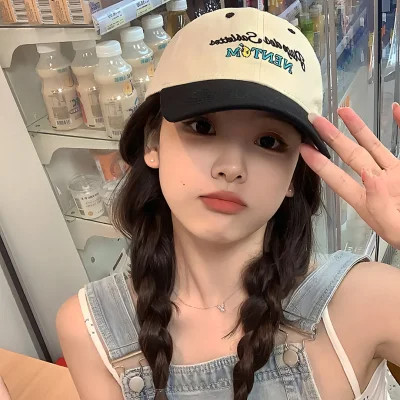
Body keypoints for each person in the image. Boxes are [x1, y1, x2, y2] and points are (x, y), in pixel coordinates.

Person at [56, 7, 400, 400]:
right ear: (153, 143)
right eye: (202, 127)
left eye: (269, 141)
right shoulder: (90, 329)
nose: (232, 167)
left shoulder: (365, 300)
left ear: (294, 176)